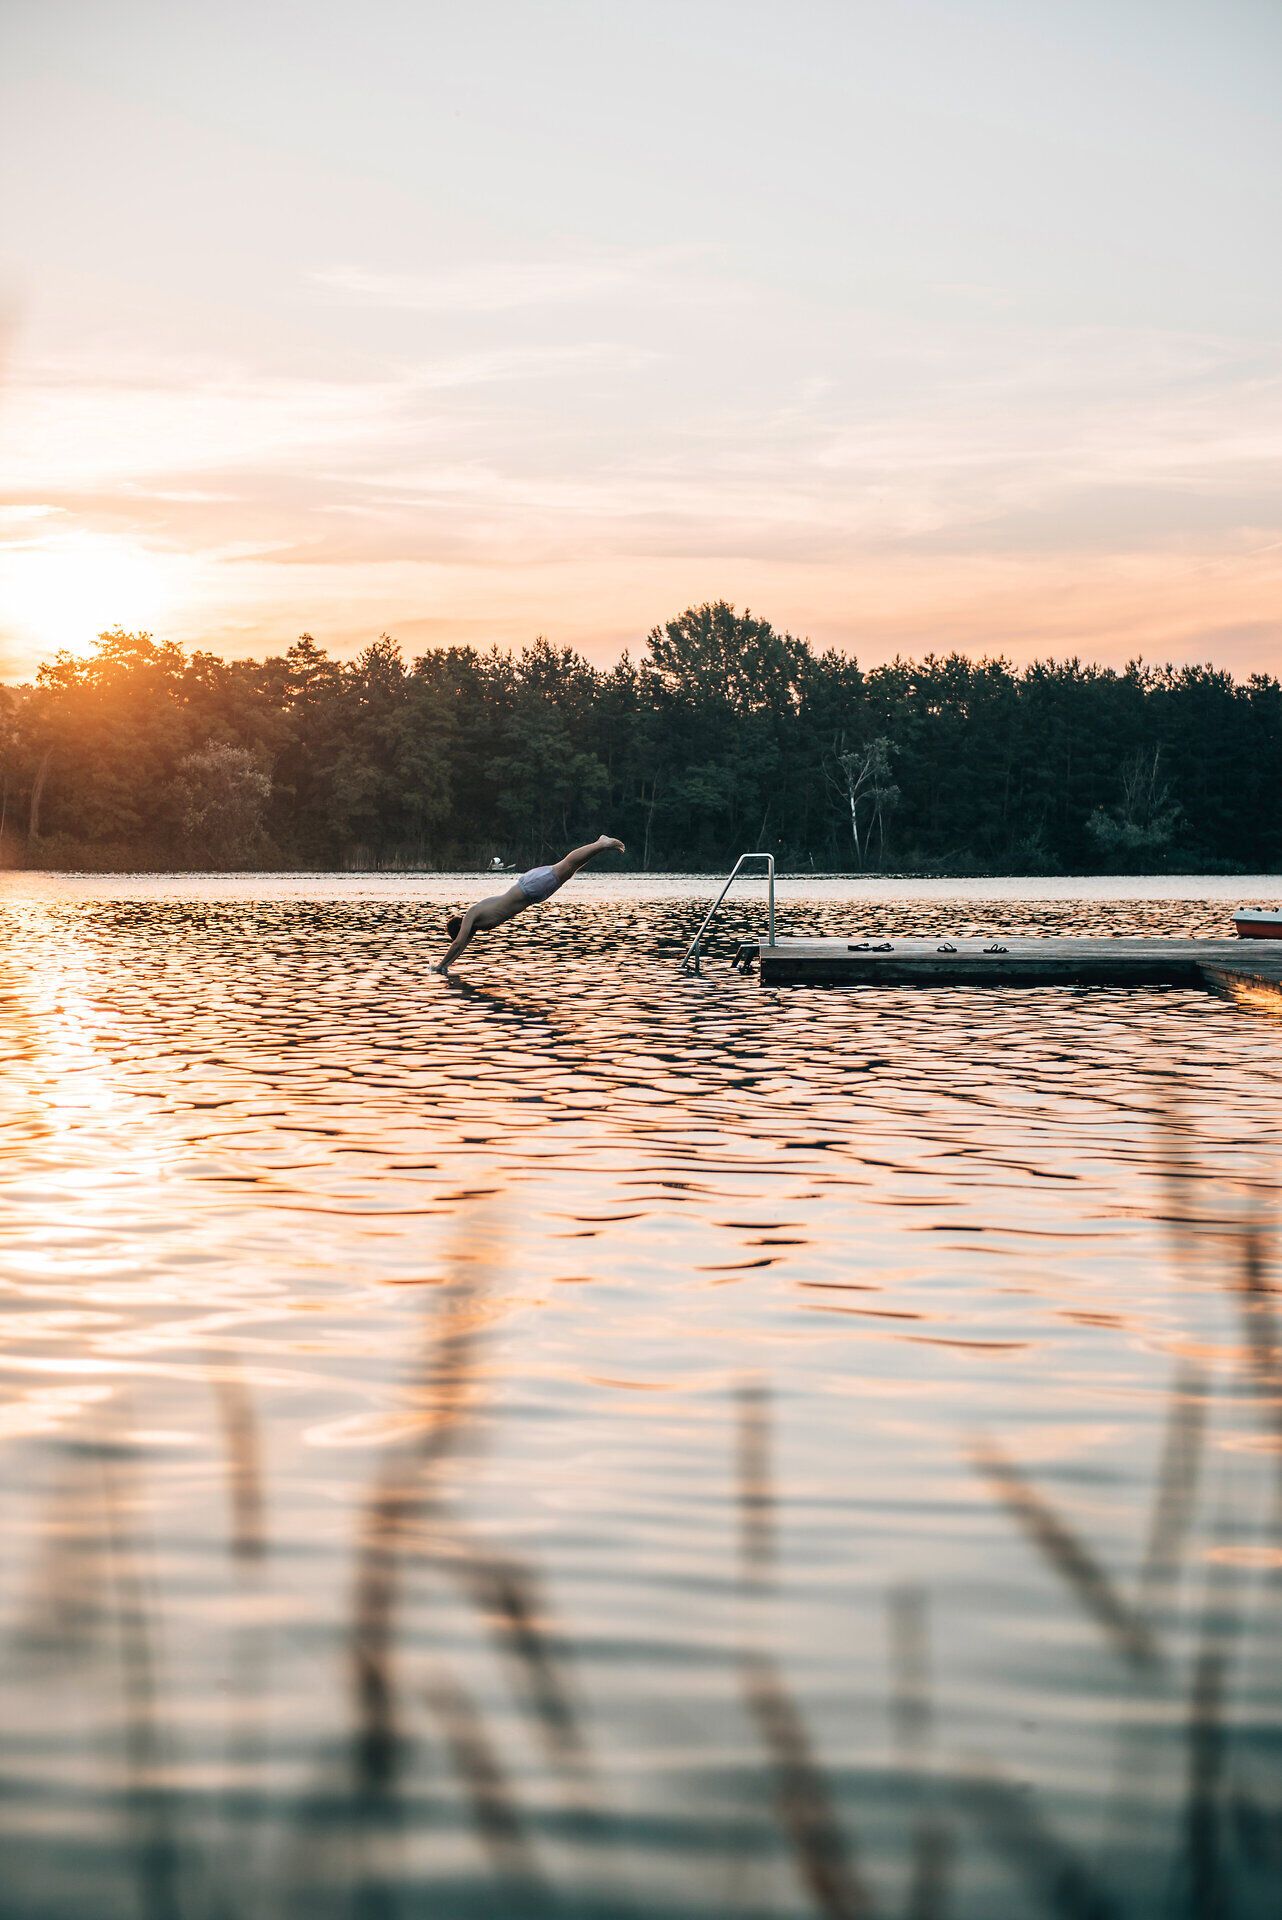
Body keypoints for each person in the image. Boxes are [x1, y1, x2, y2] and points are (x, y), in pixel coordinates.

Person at [435, 834, 624, 972]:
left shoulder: (471, 913)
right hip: (533, 894)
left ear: (460, 927)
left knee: (565, 865)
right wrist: (445, 967)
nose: (466, 937)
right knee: (569, 871)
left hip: (529, 887)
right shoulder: (475, 925)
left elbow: (458, 943)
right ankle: (600, 847)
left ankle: (600, 843)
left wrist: (439, 965)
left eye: (460, 933)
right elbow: (460, 947)